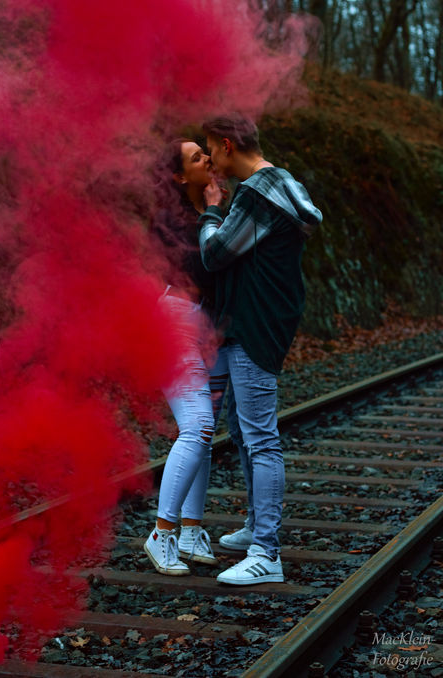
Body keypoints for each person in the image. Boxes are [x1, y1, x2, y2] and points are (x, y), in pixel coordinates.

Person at [198, 113, 322, 585]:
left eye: (212, 148)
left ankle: (267, 552)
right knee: (241, 426)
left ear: (228, 145)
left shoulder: (255, 194)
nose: (210, 158)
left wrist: (211, 210)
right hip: (257, 318)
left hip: (254, 322)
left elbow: (215, 254)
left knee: (260, 437)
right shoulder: (284, 184)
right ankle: (255, 526)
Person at [144, 139, 228, 575]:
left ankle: (192, 531)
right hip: (176, 321)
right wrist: (214, 212)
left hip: (209, 329)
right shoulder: (170, 220)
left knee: (203, 435)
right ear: (179, 176)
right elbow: (200, 271)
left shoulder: (210, 212)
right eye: (197, 158)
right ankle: (162, 533)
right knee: (198, 426)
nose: (207, 159)